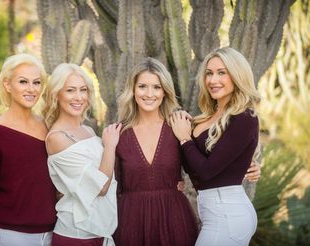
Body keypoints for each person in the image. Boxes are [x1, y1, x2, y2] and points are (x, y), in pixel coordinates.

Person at [170, 47, 260, 245]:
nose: (212, 80)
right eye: (209, 73)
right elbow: (193, 165)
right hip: (215, 212)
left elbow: (206, 171)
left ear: (237, 75)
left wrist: (185, 139)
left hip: (228, 214)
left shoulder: (244, 117)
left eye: (222, 72)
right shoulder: (205, 119)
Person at [0, 53, 57, 246]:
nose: (31, 89)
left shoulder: (49, 128)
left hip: (51, 235)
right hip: (10, 237)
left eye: (37, 82)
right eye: (23, 82)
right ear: (8, 85)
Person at [114, 57, 199, 246]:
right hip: (131, 223)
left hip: (174, 219)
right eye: (143, 86)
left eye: (157, 87)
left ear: (164, 92)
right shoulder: (118, 134)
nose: (149, 94)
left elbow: (203, 166)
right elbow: (113, 187)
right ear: (133, 90)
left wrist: (247, 165)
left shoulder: (179, 125)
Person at [43, 63, 121, 246]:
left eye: (83, 90)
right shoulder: (57, 139)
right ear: (56, 94)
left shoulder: (87, 130)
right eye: (70, 90)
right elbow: (100, 187)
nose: (79, 97)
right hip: (76, 234)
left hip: (100, 230)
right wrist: (109, 146)